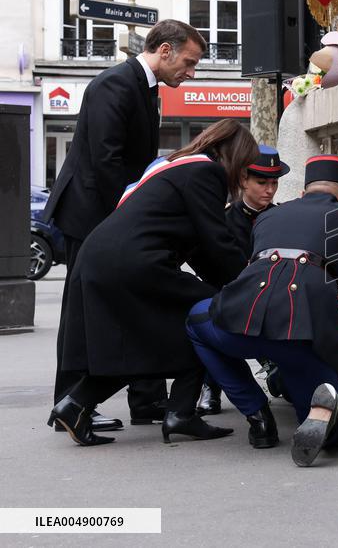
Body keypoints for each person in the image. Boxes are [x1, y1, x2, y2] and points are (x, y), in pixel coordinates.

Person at [47, 119, 257, 447]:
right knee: (206, 316)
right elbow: (218, 242)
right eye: (244, 169)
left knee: (140, 343)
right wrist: (249, 286)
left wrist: (227, 284)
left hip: (106, 259)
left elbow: (202, 249)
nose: (242, 180)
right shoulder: (207, 173)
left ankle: (74, 405)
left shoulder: (173, 166)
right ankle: (181, 414)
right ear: (231, 156)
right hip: (133, 263)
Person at [41, 19, 207, 431]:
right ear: (164, 51)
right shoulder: (115, 83)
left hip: (111, 216)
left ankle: (146, 400)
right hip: (91, 216)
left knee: (135, 306)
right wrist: (134, 215)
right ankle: (68, 405)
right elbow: (106, 161)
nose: (191, 73)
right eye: (188, 62)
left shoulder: (142, 86)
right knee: (81, 313)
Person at [185, 155, 338, 466]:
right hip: (304, 336)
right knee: (325, 415)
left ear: (302, 193)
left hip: (240, 324)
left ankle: (257, 413)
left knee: (196, 321)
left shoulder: (268, 218)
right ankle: (324, 412)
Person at [197, 144, 289, 416]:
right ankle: (209, 385)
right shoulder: (224, 218)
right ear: (242, 180)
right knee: (211, 314)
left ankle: (281, 371)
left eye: (274, 183)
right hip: (230, 291)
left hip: (272, 295)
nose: (269, 190)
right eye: (262, 182)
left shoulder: (281, 217)